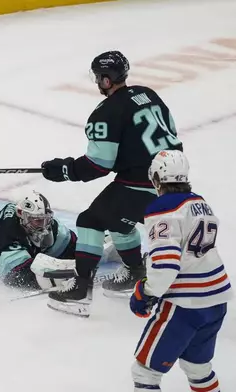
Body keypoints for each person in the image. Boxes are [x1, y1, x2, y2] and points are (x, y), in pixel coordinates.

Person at [40, 50, 183, 317]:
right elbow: (170, 132)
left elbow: (98, 165)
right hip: (175, 180)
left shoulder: (106, 111)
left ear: (105, 80)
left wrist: (65, 169)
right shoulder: (148, 93)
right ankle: (134, 273)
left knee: (91, 221)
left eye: (98, 77)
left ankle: (80, 290)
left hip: (140, 184)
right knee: (118, 220)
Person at [129, 150, 232, 392]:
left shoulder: (163, 207)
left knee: (145, 372)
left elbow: (165, 266)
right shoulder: (199, 202)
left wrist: (145, 292)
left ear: (156, 177)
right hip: (216, 300)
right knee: (198, 369)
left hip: (185, 305)